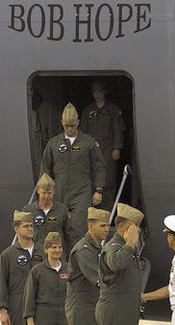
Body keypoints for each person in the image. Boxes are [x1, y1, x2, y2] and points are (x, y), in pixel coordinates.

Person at [40, 102, 106, 239]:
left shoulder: (88, 142)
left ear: (78, 122)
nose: (69, 129)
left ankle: (76, 258)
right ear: (61, 123)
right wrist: (44, 192)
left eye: (73, 126)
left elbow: (99, 166)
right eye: (66, 126)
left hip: (82, 191)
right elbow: (45, 169)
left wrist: (98, 190)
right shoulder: (53, 143)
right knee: (55, 229)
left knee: (78, 229)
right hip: (59, 191)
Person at [95, 203, 144, 325]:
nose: (138, 230)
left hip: (125, 312)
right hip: (116, 311)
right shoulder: (114, 246)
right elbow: (116, 263)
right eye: (134, 226)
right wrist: (130, 243)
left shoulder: (126, 249)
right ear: (122, 227)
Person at [65, 207, 110, 325]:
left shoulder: (98, 248)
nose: (106, 229)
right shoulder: (83, 249)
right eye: (102, 226)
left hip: (94, 306)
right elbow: (98, 279)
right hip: (82, 308)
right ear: (90, 226)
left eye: (108, 225)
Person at [0, 211, 45, 325]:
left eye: (31, 225)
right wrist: (2, 310)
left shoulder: (43, 251)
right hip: (17, 306)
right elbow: (1, 283)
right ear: (16, 228)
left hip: (41, 305)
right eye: (26, 226)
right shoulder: (7, 255)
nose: (30, 228)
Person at [23, 232, 70, 325]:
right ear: (46, 249)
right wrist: (30, 321)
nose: (57, 250)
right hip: (43, 322)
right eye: (53, 247)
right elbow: (29, 297)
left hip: (64, 322)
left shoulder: (69, 269)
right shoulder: (37, 271)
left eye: (59, 247)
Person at [81, 79, 125, 210]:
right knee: (92, 181)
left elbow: (118, 129)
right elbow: (82, 132)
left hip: (108, 150)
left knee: (108, 182)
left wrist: (117, 148)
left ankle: (107, 213)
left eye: (100, 91)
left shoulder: (112, 109)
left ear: (105, 92)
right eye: (95, 92)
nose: (97, 94)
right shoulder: (88, 111)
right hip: (92, 150)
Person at [23, 173, 76, 259]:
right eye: (43, 193)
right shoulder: (28, 211)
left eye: (49, 193)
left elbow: (70, 235)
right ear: (38, 191)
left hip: (58, 257)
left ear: (54, 192)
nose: (46, 196)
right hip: (36, 258)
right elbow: (23, 237)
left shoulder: (62, 210)